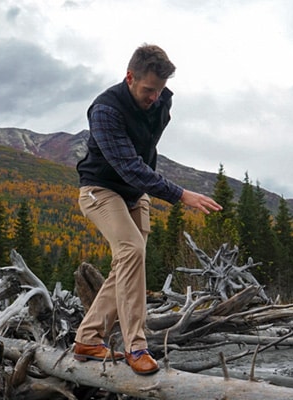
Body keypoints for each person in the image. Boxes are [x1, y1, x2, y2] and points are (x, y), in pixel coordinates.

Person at [73, 44, 222, 375]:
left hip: (135, 194)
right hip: (100, 189)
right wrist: (180, 194)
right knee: (130, 251)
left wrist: (152, 188)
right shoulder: (105, 111)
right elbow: (128, 166)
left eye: (159, 90)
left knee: (128, 263)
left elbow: (145, 149)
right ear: (129, 77)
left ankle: (87, 338)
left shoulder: (162, 102)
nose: (154, 97)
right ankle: (136, 347)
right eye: (148, 90)